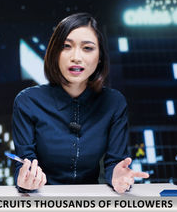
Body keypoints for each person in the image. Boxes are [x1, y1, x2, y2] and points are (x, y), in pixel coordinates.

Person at [12, 13, 149, 194]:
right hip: (42, 200)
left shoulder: (114, 103)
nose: (76, 57)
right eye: (66, 46)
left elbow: (115, 162)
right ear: (54, 53)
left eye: (87, 48)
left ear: (100, 56)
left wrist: (117, 175)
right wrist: (26, 178)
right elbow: (24, 162)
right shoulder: (27, 101)